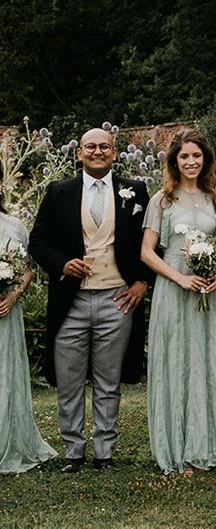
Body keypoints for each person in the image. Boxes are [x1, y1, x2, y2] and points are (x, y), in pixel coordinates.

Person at [29, 128, 152, 472]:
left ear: (114, 153)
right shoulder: (59, 192)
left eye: (104, 147)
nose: (97, 152)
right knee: (68, 381)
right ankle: (73, 451)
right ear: (79, 153)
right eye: (90, 147)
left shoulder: (137, 191)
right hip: (72, 302)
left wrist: (143, 281)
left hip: (118, 298)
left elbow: (151, 241)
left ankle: (104, 452)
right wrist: (61, 264)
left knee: (108, 381)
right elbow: (38, 241)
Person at [140, 129, 216, 475]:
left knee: (203, 363)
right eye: (184, 157)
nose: (191, 162)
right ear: (174, 161)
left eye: (196, 156)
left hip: (206, 295)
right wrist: (180, 277)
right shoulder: (162, 201)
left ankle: (204, 446)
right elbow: (147, 253)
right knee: (176, 362)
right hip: (174, 291)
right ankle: (177, 448)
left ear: (206, 160)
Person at [0, 162, 58, 473]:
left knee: (6, 377)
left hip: (6, 314)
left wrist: (13, 295)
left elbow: (26, 271)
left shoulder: (14, 226)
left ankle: (8, 440)